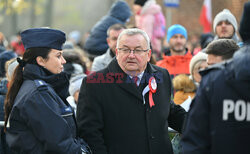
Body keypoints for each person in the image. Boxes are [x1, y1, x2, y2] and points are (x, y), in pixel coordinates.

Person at [77, 28, 186, 154]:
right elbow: (89, 132)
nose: (131, 55)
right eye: (125, 49)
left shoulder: (162, 75)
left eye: (138, 50)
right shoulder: (94, 83)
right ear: (117, 52)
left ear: (148, 54)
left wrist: (199, 126)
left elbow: (169, 109)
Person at [4, 28, 91, 154]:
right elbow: (60, 145)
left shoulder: (39, 89)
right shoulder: (38, 94)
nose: (64, 61)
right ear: (41, 60)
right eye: (58, 56)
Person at [181, 2, 250, 153]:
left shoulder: (212, 82)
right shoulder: (210, 80)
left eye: (227, 23)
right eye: (220, 23)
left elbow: (194, 141)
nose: (223, 26)